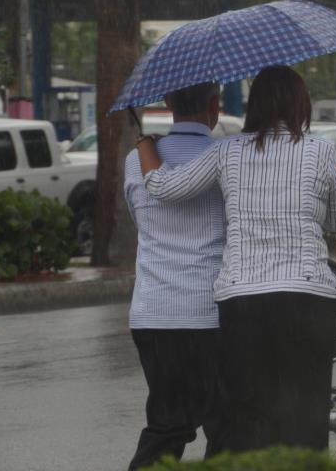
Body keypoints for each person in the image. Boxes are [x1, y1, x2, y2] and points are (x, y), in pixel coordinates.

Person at [135, 66, 336, 452]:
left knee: (251, 418)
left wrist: (144, 145)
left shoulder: (227, 151)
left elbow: (165, 188)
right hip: (308, 297)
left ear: (255, 107)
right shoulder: (319, 150)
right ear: (301, 104)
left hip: (245, 302)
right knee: (306, 415)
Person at [123, 82, 226, 470]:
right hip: (209, 311)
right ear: (215, 106)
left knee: (166, 425)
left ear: (167, 103)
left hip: (153, 312)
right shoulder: (222, 156)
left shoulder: (137, 160)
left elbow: (140, 220)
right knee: (225, 425)